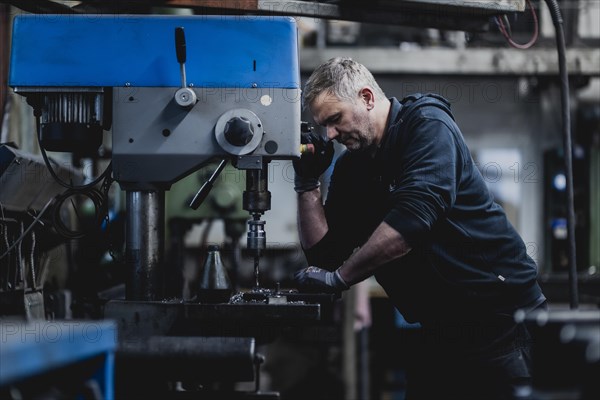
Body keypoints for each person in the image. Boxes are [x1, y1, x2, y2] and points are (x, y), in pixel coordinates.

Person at [292, 57, 547, 400]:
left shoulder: (427, 125)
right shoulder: (353, 168)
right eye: (324, 126)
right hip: (442, 330)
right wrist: (307, 184)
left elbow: (412, 223)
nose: (330, 135)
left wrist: (340, 280)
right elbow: (324, 255)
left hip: (503, 323)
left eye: (335, 120)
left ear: (367, 97)